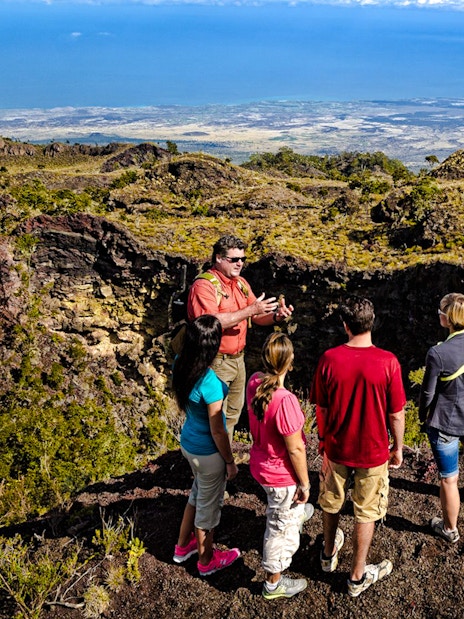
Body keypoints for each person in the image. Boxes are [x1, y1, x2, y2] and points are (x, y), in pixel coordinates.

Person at [310, 296, 406, 597]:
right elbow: (396, 413)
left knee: (330, 501)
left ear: (345, 325)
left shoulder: (328, 359)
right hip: (373, 451)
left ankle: (327, 554)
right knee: (366, 511)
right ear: (372, 321)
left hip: (336, 447)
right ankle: (356, 575)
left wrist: (323, 440)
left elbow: (321, 409)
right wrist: (398, 447)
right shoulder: (388, 362)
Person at [188, 234, 294, 443]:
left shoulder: (240, 283)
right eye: (234, 259)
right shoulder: (204, 286)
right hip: (215, 361)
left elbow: (256, 315)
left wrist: (276, 317)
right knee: (216, 415)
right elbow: (211, 323)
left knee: (234, 412)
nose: (240, 264)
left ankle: (224, 458)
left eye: (242, 259)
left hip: (237, 360)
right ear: (218, 258)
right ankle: (214, 460)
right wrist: (250, 310)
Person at [172, 315, 240, 576]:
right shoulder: (209, 382)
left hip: (189, 443)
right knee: (208, 513)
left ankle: (182, 546)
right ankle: (206, 560)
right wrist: (230, 462)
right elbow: (218, 429)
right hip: (209, 453)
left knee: (196, 495)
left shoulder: (181, 363)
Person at [247, 332, 313, 600]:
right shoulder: (285, 400)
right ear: (290, 361)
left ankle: (295, 513)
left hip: (260, 464)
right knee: (279, 529)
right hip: (280, 476)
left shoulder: (254, 381)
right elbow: (295, 448)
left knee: (284, 511)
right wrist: (305, 483)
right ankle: (273, 583)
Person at [419, 292, 464, 544]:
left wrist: (422, 416)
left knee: (449, 478)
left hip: (447, 421)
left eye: (440, 311)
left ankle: (449, 529)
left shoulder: (439, 353)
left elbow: (428, 393)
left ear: (448, 318)